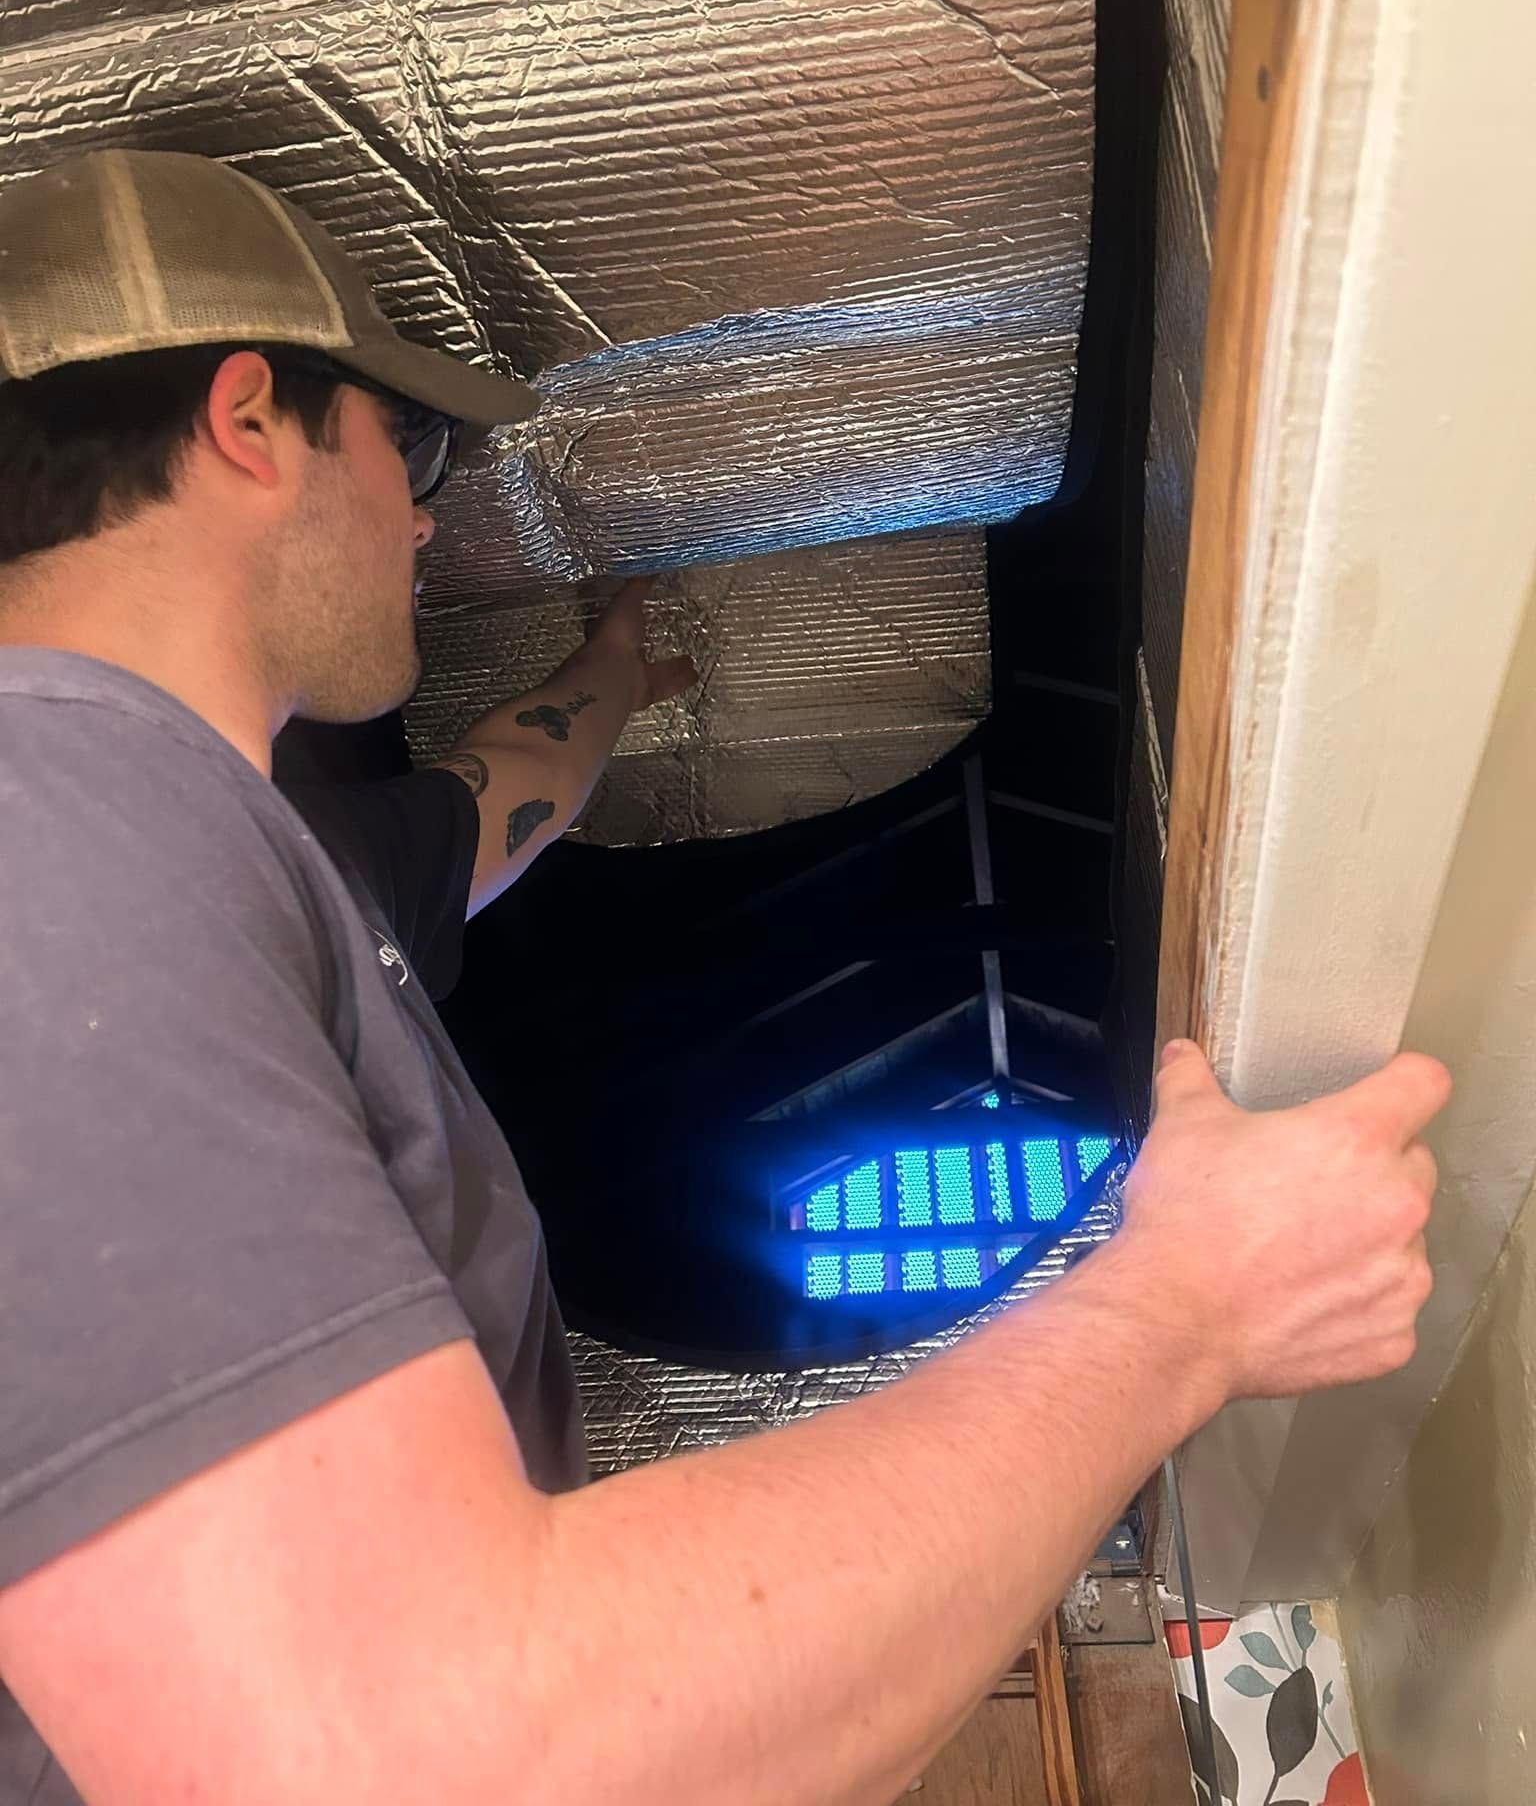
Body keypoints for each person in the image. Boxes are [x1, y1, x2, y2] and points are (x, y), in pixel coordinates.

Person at [0, 149, 1446, 1806]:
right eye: (409, 450)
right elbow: (422, 1747)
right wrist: (1188, 1306)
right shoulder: (49, 819)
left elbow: (481, 818)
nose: (423, 513)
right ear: (250, 425)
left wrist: (607, 677)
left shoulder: (222, 850)